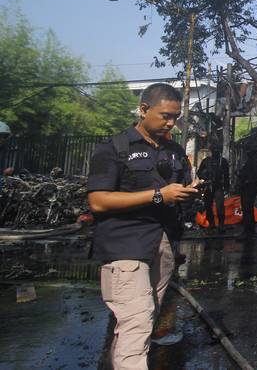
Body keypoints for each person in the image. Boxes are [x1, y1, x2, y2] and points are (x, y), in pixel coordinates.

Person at [86, 82, 200, 370]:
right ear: (144, 109)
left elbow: (180, 188)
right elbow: (98, 201)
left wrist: (192, 190)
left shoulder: (174, 151)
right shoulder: (114, 148)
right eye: (165, 116)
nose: (171, 122)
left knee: (143, 320)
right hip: (126, 246)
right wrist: (159, 195)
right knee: (137, 321)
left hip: (162, 244)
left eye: (176, 116)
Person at [197, 147, 229, 233]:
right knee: (208, 205)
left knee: (220, 206)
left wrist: (226, 188)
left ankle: (221, 225)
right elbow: (199, 172)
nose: (216, 151)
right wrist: (205, 177)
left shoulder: (223, 161)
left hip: (218, 186)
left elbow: (226, 175)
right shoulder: (206, 161)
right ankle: (211, 224)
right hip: (208, 186)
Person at [238, 144, 257, 237]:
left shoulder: (255, 160)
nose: (247, 152)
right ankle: (249, 230)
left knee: (247, 208)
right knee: (247, 209)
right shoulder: (253, 159)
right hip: (249, 186)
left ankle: (248, 231)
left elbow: (255, 175)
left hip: (249, 187)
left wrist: (244, 178)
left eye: (248, 150)